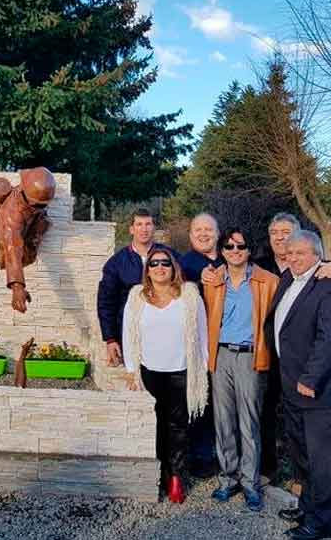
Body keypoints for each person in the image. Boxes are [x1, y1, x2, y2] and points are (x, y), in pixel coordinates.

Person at [265, 230, 331, 540]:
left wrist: (311, 378)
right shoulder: (290, 277)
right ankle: (307, 506)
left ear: (317, 254)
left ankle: (321, 524)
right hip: (291, 387)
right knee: (301, 454)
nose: (293, 258)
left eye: (300, 253)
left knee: (322, 461)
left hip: (318, 391)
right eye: (290, 253)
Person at [252, 212, 331, 479]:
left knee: (317, 449)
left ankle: (315, 511)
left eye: (287, 233)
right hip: (277, 366)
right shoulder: (273, 271)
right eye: (275, 234)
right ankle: (283, 480)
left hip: (308, 376)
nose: (282, 240)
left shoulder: (327, 276)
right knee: (287, 432)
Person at [120, 248, 209, 504]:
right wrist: (130, 369)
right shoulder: (136, 296)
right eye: (154, 263)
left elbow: (201, 333)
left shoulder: (190, 295)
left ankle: (176, 478)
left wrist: (202, 366)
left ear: (174, 268)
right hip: (149, 372)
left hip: (181, 371)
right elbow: (128, 332)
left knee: (178, 426)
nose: (160, 267)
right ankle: (158, 474)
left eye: (165, 263)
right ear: (147, 270)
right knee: (156, 425)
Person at [202, 227, 279, 512]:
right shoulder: (212, 281)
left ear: (249, 250)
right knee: (223, 421)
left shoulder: (267, 281)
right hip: (220, 356)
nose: (235, 251)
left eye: (240, 246)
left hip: (250, 357)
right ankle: (227, 479)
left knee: (249, 423)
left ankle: (250, 483)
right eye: (229, 247)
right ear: (222, 251)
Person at [98, 209, 177, 368]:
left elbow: (186, 281)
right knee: (136, 380)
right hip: (130, 332)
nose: (144, 229)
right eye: (139, 224)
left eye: (148, 224)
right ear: (131, 229)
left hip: (165, 332)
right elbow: (106, 302)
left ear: (154, 228)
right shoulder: (117, 263)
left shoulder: (169, 256)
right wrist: (111, 339)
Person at [179, 212, 222, 478]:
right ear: (191, 234)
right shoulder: (184, 263)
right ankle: (200, 456)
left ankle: (228, 455)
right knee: (200, 399)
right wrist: (196, 281)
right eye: (198, 230)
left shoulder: (231, 258)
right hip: (196, 345)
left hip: (228, 344)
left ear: (218, 233)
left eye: (209, 229)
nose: (204, 234)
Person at [0, 167, 56, 313]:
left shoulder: (31, 196)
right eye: (37, 204)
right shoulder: (12, 214)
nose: (40, 207)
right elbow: (12, 248)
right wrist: (18, 287)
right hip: (12, 235)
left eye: (43, 205)